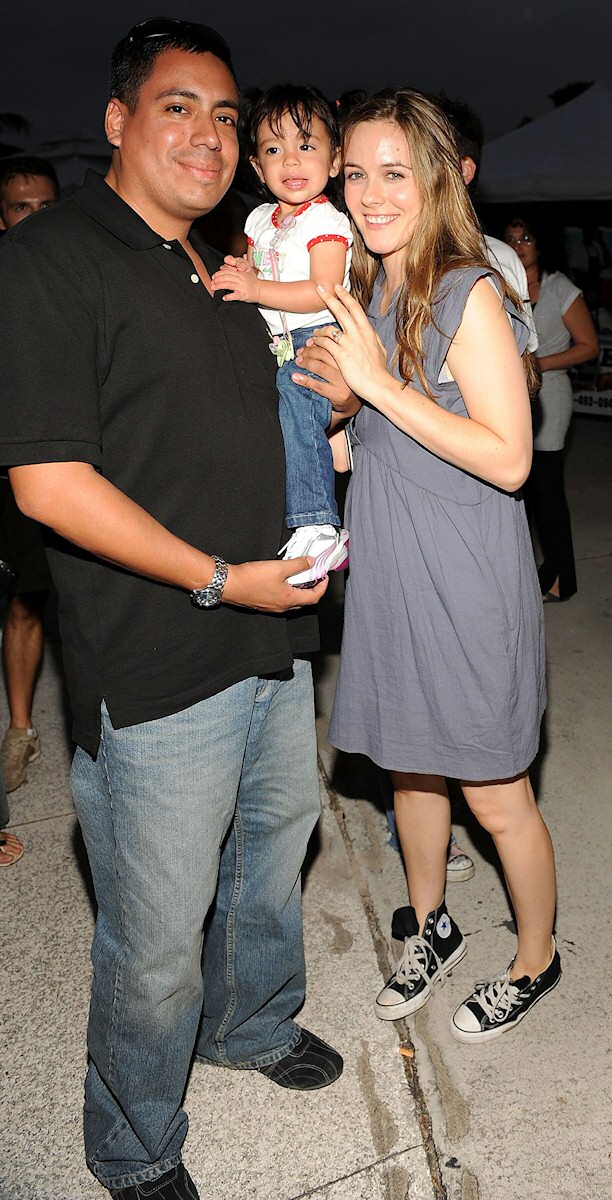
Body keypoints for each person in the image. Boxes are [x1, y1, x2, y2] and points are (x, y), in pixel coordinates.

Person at [0, 20, 345, 1200]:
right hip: (157, 655)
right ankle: (135, 1141)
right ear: (117, 123)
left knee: (269, 858)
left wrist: (342, 406)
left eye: (227, 116)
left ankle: (248, 1024)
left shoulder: (227, 264)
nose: (210, 134)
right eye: (179, 106)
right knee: (152, 937)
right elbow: (47, 482)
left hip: (273, 629)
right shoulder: (54, 254)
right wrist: (213, 573)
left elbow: (272, 426)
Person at [311, 87, 560, 1043]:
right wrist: (342, 415)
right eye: (356, 174)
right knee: (410, 771)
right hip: (391, 564)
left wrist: (373, 384)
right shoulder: (371, 287)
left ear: (436, 178)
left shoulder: (467, 290)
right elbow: (380, 426)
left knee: (497, 793)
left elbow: (508, 455)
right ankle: (434, 923)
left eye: (393, 173)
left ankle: (536, 955)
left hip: (465, 574)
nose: (370, 194)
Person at [211, 84, 351, 587]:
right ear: (256, 165)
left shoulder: (325, 218)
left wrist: (255, 286)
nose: (291, 159)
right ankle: (328, 443)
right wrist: (236, 272)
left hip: (319, 333)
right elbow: (253, 269)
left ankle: (318, 523)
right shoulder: (257, 219)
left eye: (307, 145)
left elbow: (323, 289)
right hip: (276, 338)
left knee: (295, 390)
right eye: (274, 149)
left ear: (334, 161)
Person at [0, 156, 59, 793]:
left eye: (47, 207)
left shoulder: (68, 275)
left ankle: (25, 729)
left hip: (55, 469)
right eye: (22, 208)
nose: (36, 220)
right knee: (21, 605)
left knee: (34, 602)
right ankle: (21, 729)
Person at [504, 214, 598, 601]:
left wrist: (537, 363)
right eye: (511, 238)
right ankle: (525, 578)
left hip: (550, 397)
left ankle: (561, 579)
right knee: (518, 496)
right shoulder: (501, 282)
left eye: (526, 237)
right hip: (511, 397)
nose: (519, 244)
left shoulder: (560, 289)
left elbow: (589, 346)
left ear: (540, 244)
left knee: (547, 496)